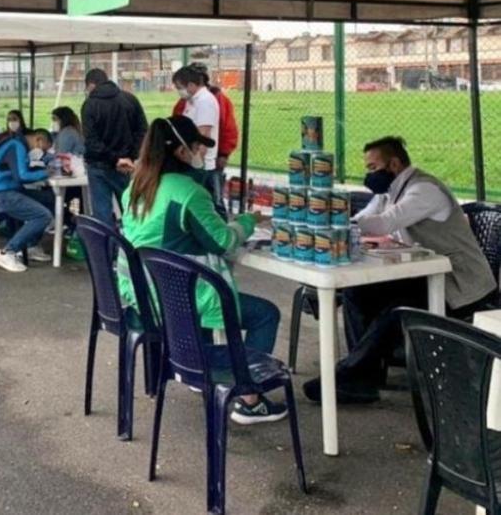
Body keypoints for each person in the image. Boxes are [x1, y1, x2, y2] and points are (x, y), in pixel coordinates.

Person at [304, 136, 499, 405]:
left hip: (461, 284)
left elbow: (384, 223)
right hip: (427, 275)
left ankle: (350, 373)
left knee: (396, 310)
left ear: (394, 164)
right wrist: (342, 223)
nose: (369, 174)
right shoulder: (390, 192)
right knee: (358, 292)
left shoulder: (423, 190)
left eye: (373, 167)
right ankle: (363, 378)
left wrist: (331, 221)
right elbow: (363, 219)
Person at [117, 115, 286, 424]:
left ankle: (198, 373)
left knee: (201, 296)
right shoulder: (188, 192)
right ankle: (249, 399)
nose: (201, 154)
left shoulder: (136, 188)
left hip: (143, 295)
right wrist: (248, 221)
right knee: (265, 314)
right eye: (197, 147)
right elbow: (222, 242)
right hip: (179, 299)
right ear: (182, 152)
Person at [81, 68, 148, 224]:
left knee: (103, 216)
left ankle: (106, 247)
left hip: (99, 166)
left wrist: (114, 159)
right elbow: (143, 131)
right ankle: (134, 246)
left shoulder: (89, 105)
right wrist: (130, 156)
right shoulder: (131, 99)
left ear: (91, 85)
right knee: (132, 212)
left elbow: (91, 141)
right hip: (127, 166)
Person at [0, 130, 56, 273]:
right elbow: (21, 176)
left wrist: (39, 169)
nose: (42, 152)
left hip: (6, 190)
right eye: (43, 149)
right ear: (39, 140)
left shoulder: (15, 144)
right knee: (43, 215)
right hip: (3, 194)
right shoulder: (16, 146)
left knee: (50, 199)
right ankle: (7, 252)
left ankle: (31, 245)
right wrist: (46, 173)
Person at [172, 63, 236, 212]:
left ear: (192, 84)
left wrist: (197, 162)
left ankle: (222, 232)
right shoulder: (190, 101)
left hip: (202, 165)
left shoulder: (206, 101)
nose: (178, 91)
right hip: (192, 161)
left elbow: (204, 136)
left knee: (211, 205)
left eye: (179, 86)